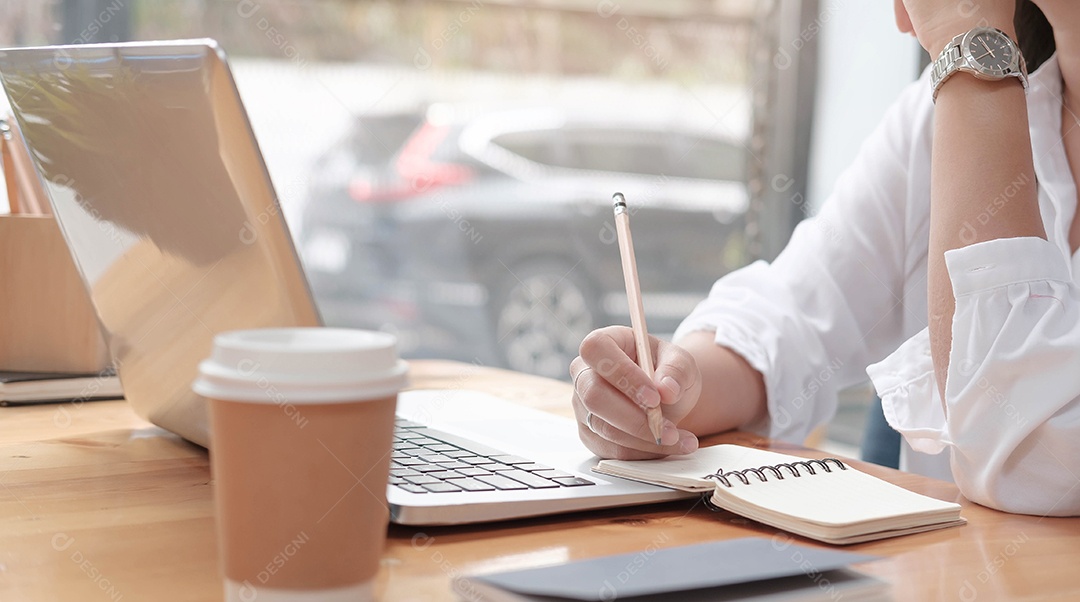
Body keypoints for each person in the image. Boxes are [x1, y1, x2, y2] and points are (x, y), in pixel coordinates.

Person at [570, 0, 1080, 517]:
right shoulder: (942, 116)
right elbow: (796, 318)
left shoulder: (971, 90)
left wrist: (969, 45)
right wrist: (670, 389)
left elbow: (1033, 465)